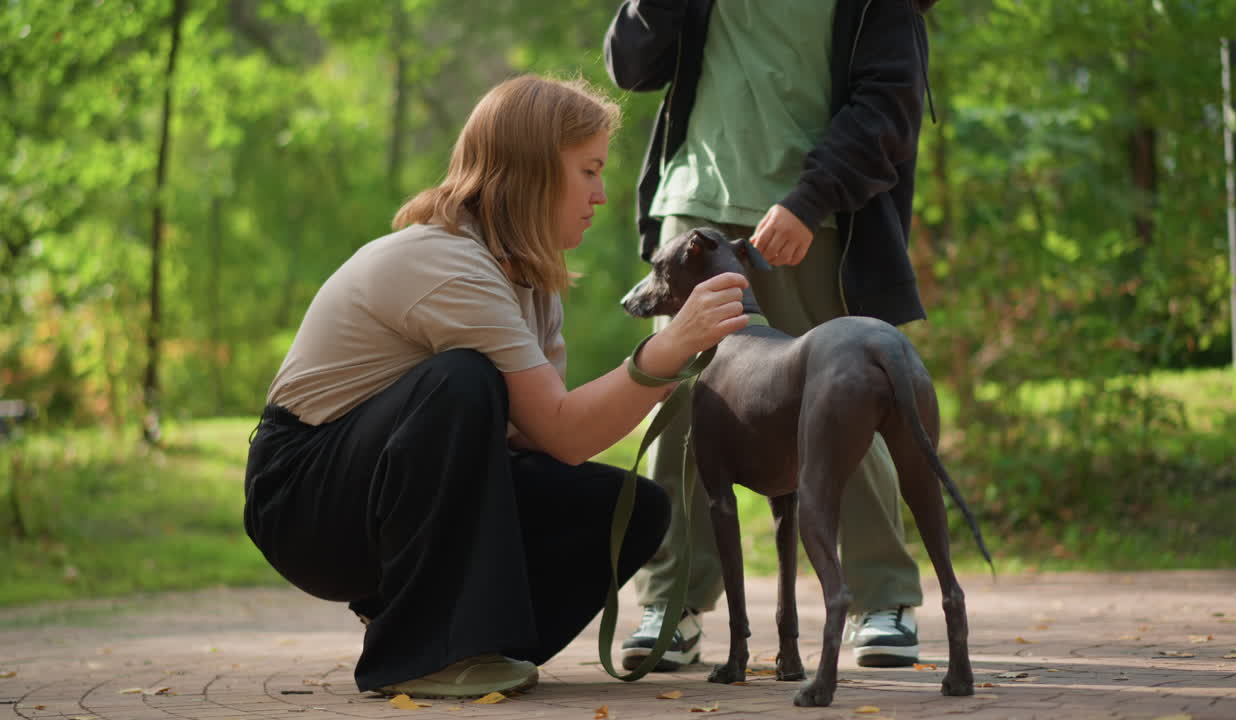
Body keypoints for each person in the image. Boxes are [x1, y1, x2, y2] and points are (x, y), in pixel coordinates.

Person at [242, 74, 750, 700]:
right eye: (588, 171)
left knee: (632, 510)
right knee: (463, 379)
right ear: (533, 170)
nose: (603, 195)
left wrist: (653, 368)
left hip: (372, 485)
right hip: (302, 498)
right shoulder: (448, 263)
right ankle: (420, 650)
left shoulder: (531, 283)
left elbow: (541, 436)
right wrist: (670, 346)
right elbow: (562, 432)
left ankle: (475, 642)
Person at [604, 0, 939, 670]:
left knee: (851, 399)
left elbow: (890, 104)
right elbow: (631, 67)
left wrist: (812, 198)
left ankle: (882, 598)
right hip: (694, 206)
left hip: (816, 218)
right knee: (684, 418)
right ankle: (672, 607)